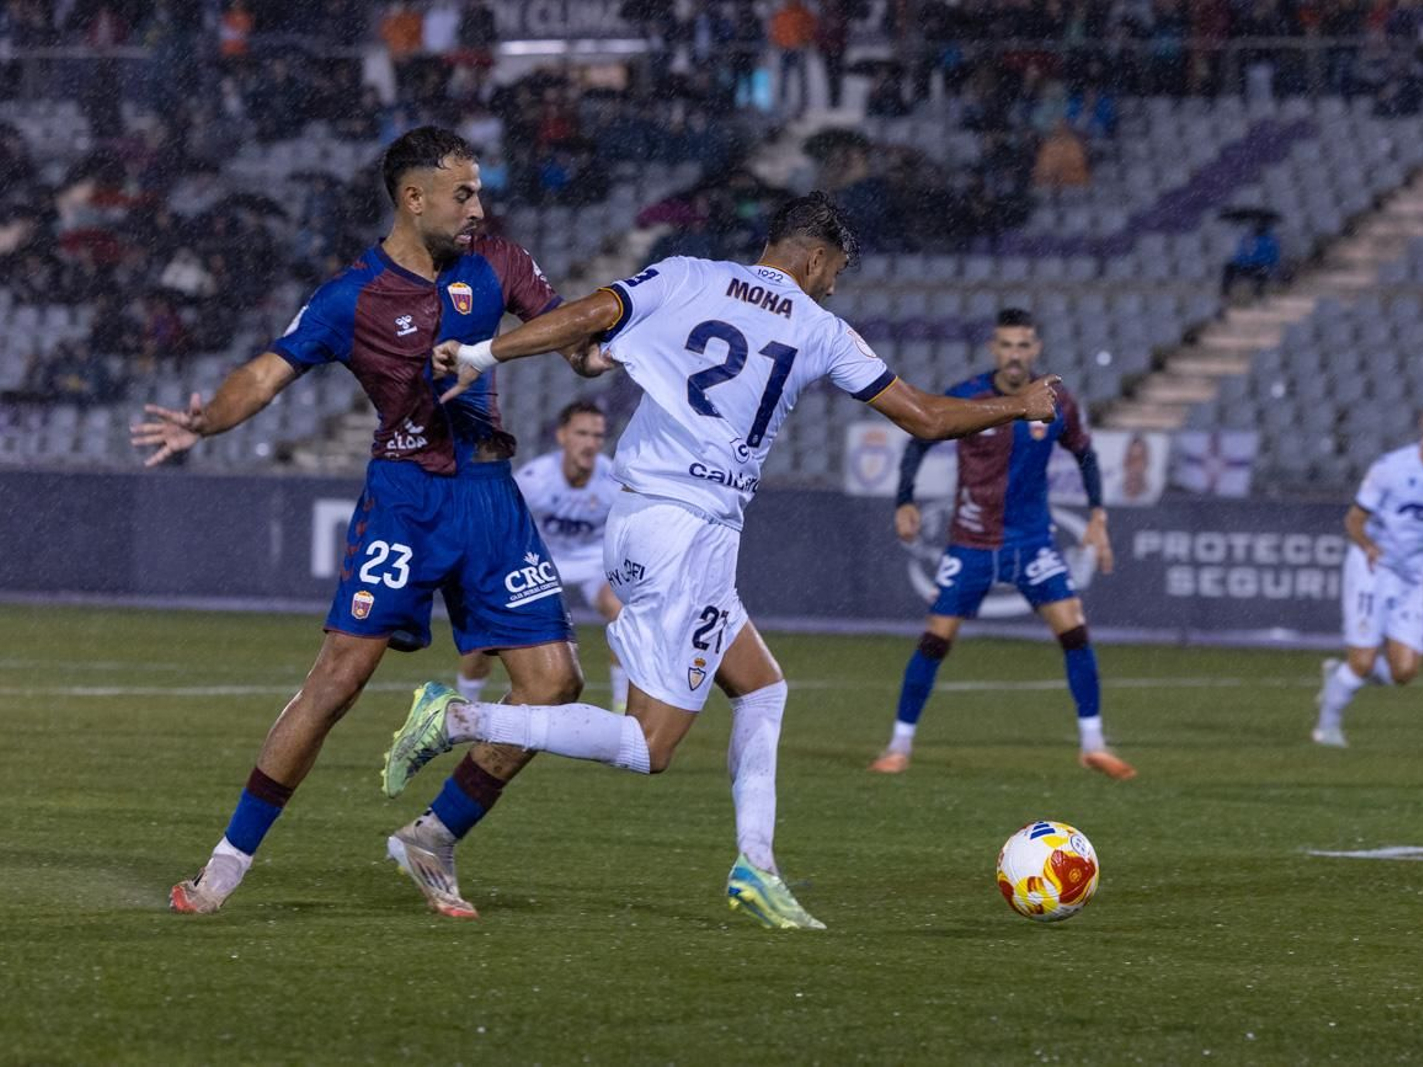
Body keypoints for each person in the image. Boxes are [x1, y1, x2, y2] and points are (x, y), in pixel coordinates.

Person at [381, 192, 1064, 929]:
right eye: (835, 271)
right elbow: (925, 416)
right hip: (688, 532)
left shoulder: (688, 275)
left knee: (762, 688)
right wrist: (1017, 405)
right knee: (648, 746)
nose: (834, 287)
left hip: (642, 515)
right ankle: (460, 716)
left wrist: (484, 352)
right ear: (813, 259)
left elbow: (585, 315)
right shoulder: (820, 328)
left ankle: (756, 867)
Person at [134, 127, 590, 919]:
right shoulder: (351, 296)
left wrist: (601, 347)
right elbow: (266, 373)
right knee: (338, 681)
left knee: (555, 684)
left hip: (490, 495)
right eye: (463, 194)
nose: (478, 208)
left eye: (479, 192)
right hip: (405, 499)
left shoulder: (500, 263)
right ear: (413, 198)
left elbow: (572, 338)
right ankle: (227, 863)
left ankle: (433, 835)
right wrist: (208, 421)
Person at [868, 309, 1135, 781]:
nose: (1015, 354)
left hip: (1032, 541)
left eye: (1023, 345)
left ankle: (1093, 744)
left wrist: (1097, 512)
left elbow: (1085, 454)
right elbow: (919, 440)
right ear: (994, 349)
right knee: (935, 640)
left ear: (1036, 350)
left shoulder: (1057, 401)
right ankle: (899, 746)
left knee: (1074, 631)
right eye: (1007, 345)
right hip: (971, 542)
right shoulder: (967, 396)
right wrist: (905, 499)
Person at [1313, 394, 1423, 748]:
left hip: (1412, 576)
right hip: (1372, 566)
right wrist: (1368, 545)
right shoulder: (1390, 469)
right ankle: (1327, 727)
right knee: (1363, 661)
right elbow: (1354, 520)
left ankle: (1339, 675)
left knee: (1403, 672)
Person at [456, 399, 629, 713]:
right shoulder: (535, 479)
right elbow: (500, 522)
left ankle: (621, 704)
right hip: (540, 562)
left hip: (593, 563)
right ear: (562, 436)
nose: (590, 443)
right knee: (487, 629)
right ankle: (466, 704)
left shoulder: (613, 480)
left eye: (597, 436)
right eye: (582, 433)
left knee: (623, 612)